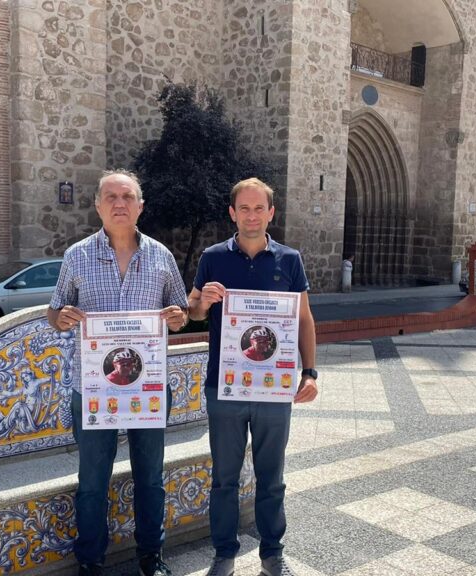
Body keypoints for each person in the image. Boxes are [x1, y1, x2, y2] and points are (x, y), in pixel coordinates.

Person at [48, 170, 189, 576]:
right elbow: (54, 310)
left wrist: (178, 317)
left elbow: (180, 314)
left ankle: (151, 555)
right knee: (92, 479)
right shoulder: (77, 256)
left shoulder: (161, 257)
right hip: (92, 388)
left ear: (140, 205)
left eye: (127, 196)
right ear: (98, 205)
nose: (119, 203)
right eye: (110, 196)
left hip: (147, 388)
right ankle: (90, 560)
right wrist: (61, 317)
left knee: (150, 478)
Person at [187, 178, 319, 576]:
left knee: (271, 477)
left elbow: (303, 319)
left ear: (271, 213)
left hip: (273, 389)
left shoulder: (290, 260)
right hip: (224, 387)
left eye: (259, 208)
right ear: (232, 213)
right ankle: (224, 553)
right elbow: (192, 312)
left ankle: (271, 553)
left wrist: (309, 372)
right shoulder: (213, 257)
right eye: (243, 208)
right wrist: (202, 301)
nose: (251, 215)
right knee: (224, 477)